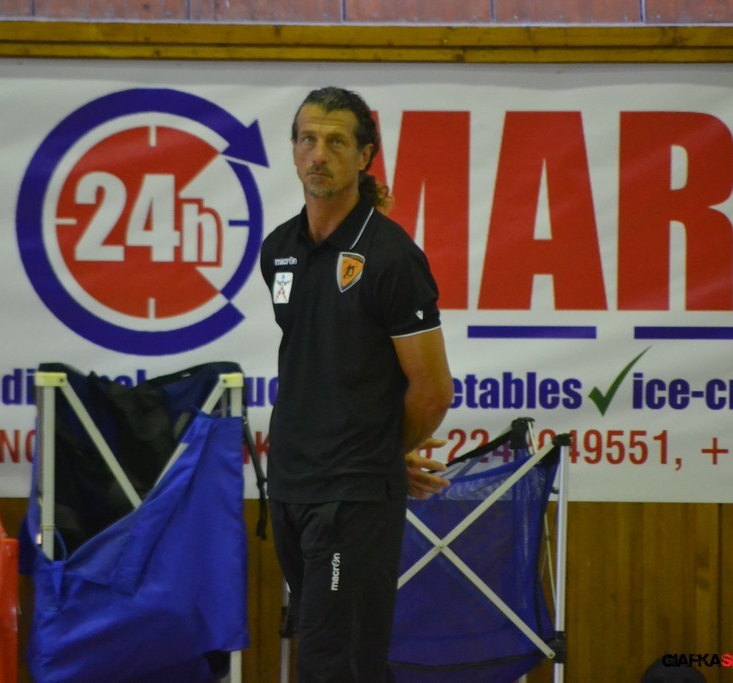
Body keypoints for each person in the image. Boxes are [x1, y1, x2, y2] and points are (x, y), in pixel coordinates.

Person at [260, 86, 454, 683]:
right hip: (289, 484)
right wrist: (381, 454)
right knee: (335, 653)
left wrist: (379, 455)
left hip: (352, 498)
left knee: (334, 665)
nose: (319, 154)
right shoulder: (278, 250)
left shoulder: (392, 257)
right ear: (294, 149)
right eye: (308, 139)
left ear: (365, 156)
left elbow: (432, 390)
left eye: (337, 141)